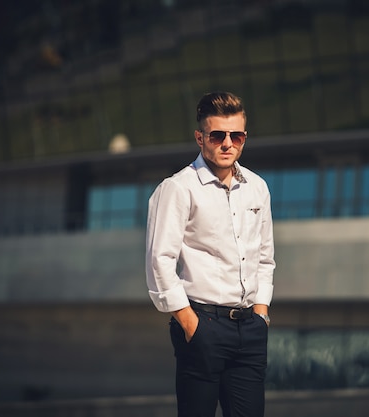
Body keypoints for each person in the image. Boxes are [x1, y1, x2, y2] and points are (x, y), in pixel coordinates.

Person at [146, 91, 276, 417]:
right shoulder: (178, 188)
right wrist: (190, 324)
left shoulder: (257, 187)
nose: (227, 143)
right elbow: (159, 260)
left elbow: (264, 257)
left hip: (250, 329)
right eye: (217, 135)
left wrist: (261, 313)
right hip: (202, 326)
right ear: (200, 137)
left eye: (237, 136)